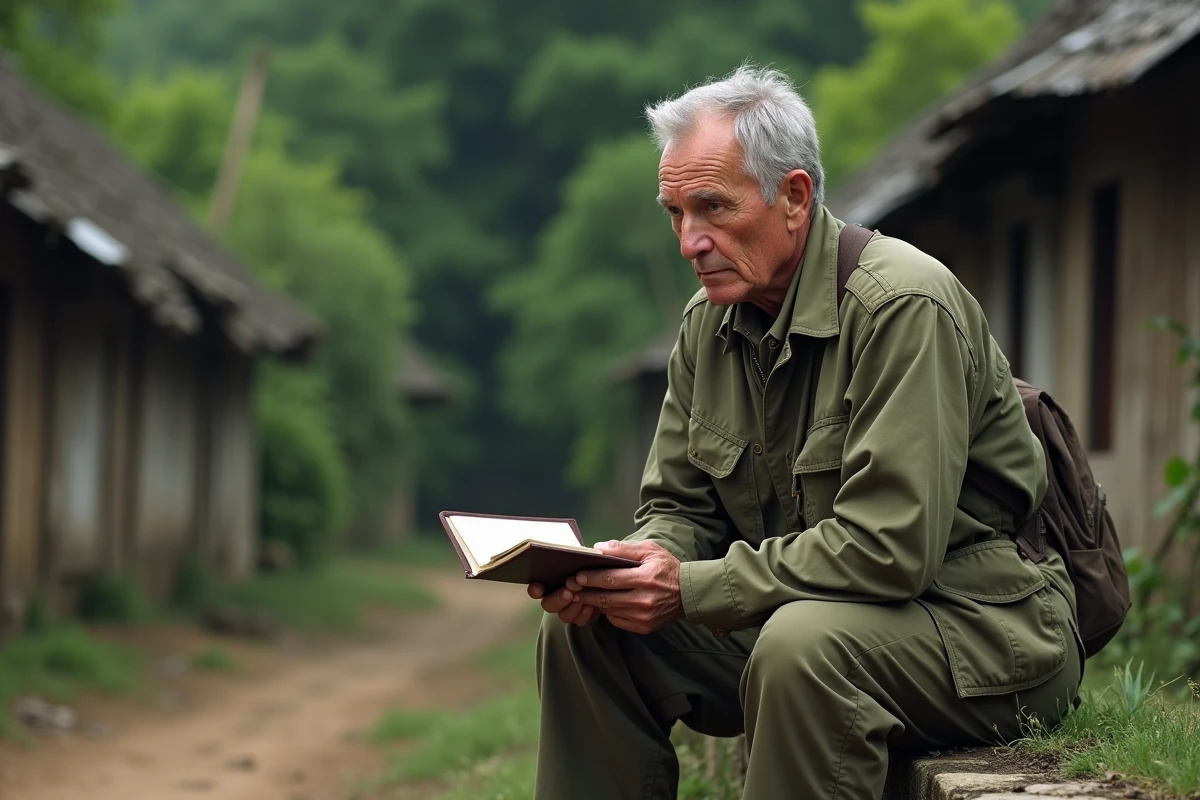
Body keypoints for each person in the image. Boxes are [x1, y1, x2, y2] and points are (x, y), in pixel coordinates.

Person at [528, 65, 1083, 800]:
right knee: (588, 629)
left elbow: (890, 549)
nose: (690, 241)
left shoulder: (902, 306)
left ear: (793, 197)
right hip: (812, 619)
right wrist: (637, 568)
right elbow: (680, 507)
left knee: (801, 648)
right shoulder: (706, 326)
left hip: (982, 630)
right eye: (675, 213)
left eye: (712, 208)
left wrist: (691, 588)